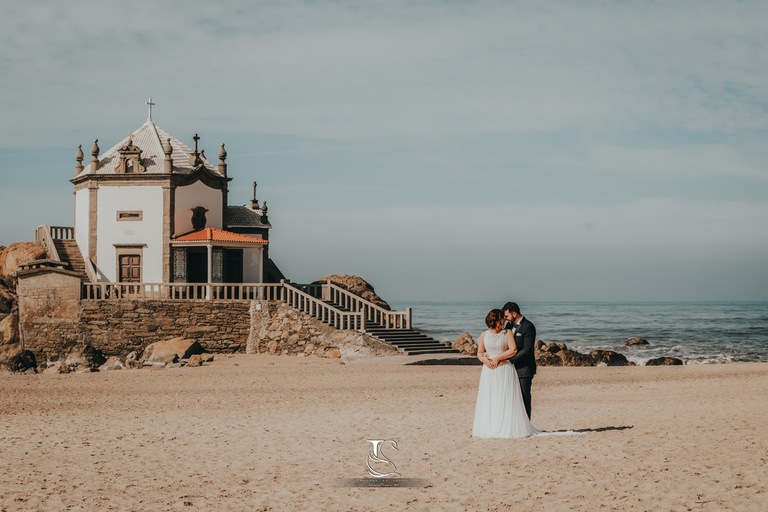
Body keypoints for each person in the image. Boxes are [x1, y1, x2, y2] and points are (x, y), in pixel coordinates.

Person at [472, 309, 536, 438]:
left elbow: (513, 350)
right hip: (488, 370)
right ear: (497, 320)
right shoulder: (483, 335)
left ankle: (506, 426)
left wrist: (498, 358)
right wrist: (485, 360)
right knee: (490, 397)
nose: (505, 320)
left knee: (505, 397)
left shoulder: (507, 332)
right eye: (502, 318)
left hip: (504, 368)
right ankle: (491, 426)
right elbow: (479, 352)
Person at [502, 302, 536, 419]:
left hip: (524, 369)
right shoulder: (508, 326)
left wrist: (509, 360)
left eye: (507, 316)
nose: (505, 319)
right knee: (512, 398)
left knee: (524, 397)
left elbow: (527, 350)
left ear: (514, 313)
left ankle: (526, 424)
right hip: (509, 369)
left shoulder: (528, 326)